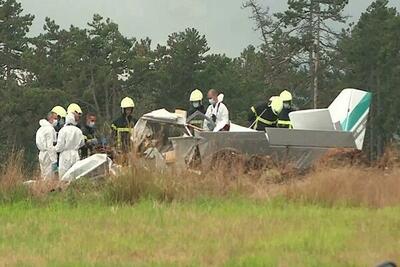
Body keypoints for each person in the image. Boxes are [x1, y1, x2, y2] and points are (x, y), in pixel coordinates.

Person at [55, 112, 84, 179]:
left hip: (65, 155)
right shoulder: (78, 130)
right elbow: (82, 143)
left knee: (64, 175)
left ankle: (64, 188)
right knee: (75, 175)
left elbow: (60, 146)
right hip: (75, 154)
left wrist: (54, 149)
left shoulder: (63, 130)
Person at [35, 111, 58, 180]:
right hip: (48, 155)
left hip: (41, 153)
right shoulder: (50, 129)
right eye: (55, 118)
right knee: (49, 177)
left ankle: (42, 189)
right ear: (50, 118)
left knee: (43, 175)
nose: (56, 120)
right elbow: (50, 146)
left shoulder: (41, 129)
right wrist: (54, 161)